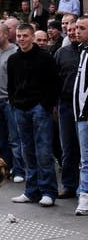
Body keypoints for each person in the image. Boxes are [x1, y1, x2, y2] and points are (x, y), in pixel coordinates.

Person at [8, 24, 60, 206]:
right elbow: (11, 85)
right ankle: (31, 191)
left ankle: (48, 191)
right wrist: (14, 103)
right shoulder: (13, 59)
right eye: (19, 36)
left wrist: (46, 104)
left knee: (44, 150)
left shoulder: (45, 58)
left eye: (25, 36)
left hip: (40, 108)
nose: (21, 39)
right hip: (20, 109)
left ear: (32, 37)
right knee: (27, 151)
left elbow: (54, 83)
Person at [0, 24, 25, 182]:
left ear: (7, 34)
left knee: (14, 138)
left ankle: (19, 170)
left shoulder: (16, 51)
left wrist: (14, 97)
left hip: (9, 101)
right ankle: (2, 170)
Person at [55, 20, 80, 199]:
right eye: (69, 30)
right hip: (65, 105)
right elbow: (54, 80)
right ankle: (69, 185)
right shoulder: (61, 53)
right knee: (68, 147)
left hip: (84, 106)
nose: (72, 32)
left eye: (76, 29)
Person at [73, 16, 88, 216]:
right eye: (76, 27)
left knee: (86, 159)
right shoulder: (82, 51)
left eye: (82, 28)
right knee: (84, 158)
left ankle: (84, 195)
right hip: (80, 114)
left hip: (85, 114)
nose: (77, 31)